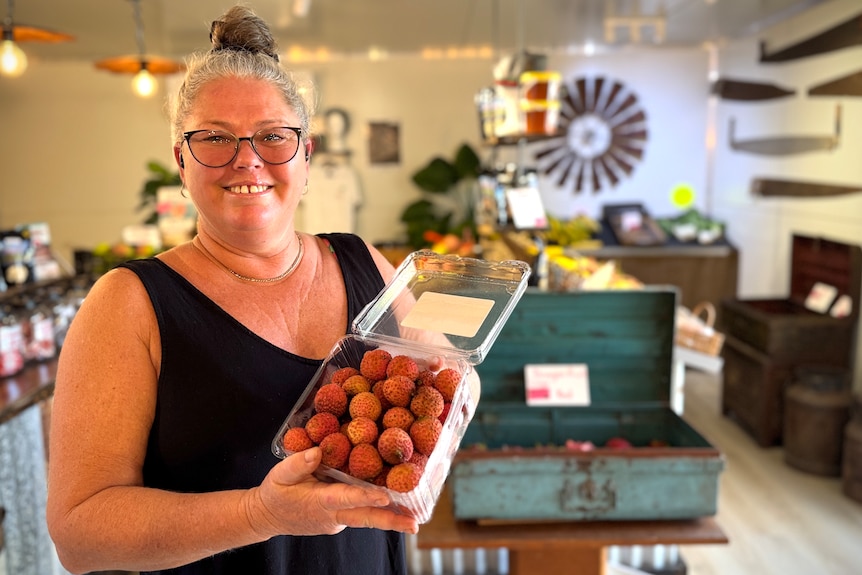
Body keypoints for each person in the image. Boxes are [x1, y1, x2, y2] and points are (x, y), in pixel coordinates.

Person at [46, 5, 474, 574]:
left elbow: (449, 385)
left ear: (305, 154)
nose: (247, 160)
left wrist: (455, 405)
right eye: (215, 139)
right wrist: (259, 513)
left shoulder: (364, 262)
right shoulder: (129, 304)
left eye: (273, 136)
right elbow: (79, 535)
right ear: (181, 160)